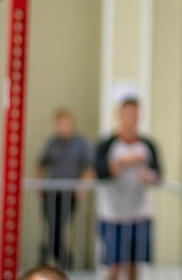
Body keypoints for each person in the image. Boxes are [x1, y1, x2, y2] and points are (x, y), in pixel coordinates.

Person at [94, 98, 163, 280]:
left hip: (139, 213)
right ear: (120, 116)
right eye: (128, 114)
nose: (132, 119)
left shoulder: (148, 145)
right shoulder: (107, 144)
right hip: (112, 214)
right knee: (114, 267)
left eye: (135, 115)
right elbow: (100, 172)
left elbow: (158, 173)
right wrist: (123, 163)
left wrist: (150, 177)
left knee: (134, 266)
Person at [36, 107, 94, 270]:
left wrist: (82, 187)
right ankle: (56, 257)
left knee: (61, 225)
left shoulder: (81, 143)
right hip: (52, 192)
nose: (62, 127)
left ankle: (58, 258)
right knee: (52, 225)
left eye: (64, 123)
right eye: (58, 124)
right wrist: (39, 185)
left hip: (70, 193)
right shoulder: (53, 142)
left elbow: (89, 168)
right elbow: (41, 164)